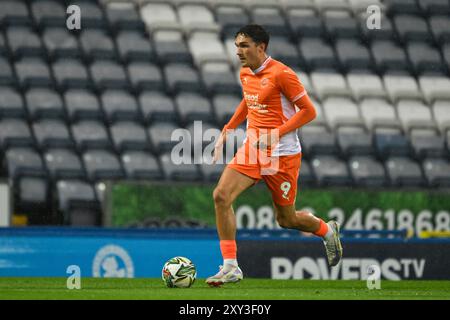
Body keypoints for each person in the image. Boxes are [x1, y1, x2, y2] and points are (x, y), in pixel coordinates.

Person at [205, 24, 343, 287]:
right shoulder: (245, 73)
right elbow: (250, 100)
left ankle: (327, 230)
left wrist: (277, 133)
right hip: (254, 148)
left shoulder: (282, 74)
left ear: (261, 47)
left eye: (244, 46)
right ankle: (230, 267)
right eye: (237, 46)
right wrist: (228, 128)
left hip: (283, 155)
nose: (239, 52)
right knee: (221, 196)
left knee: (287, 219)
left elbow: (309, 111)